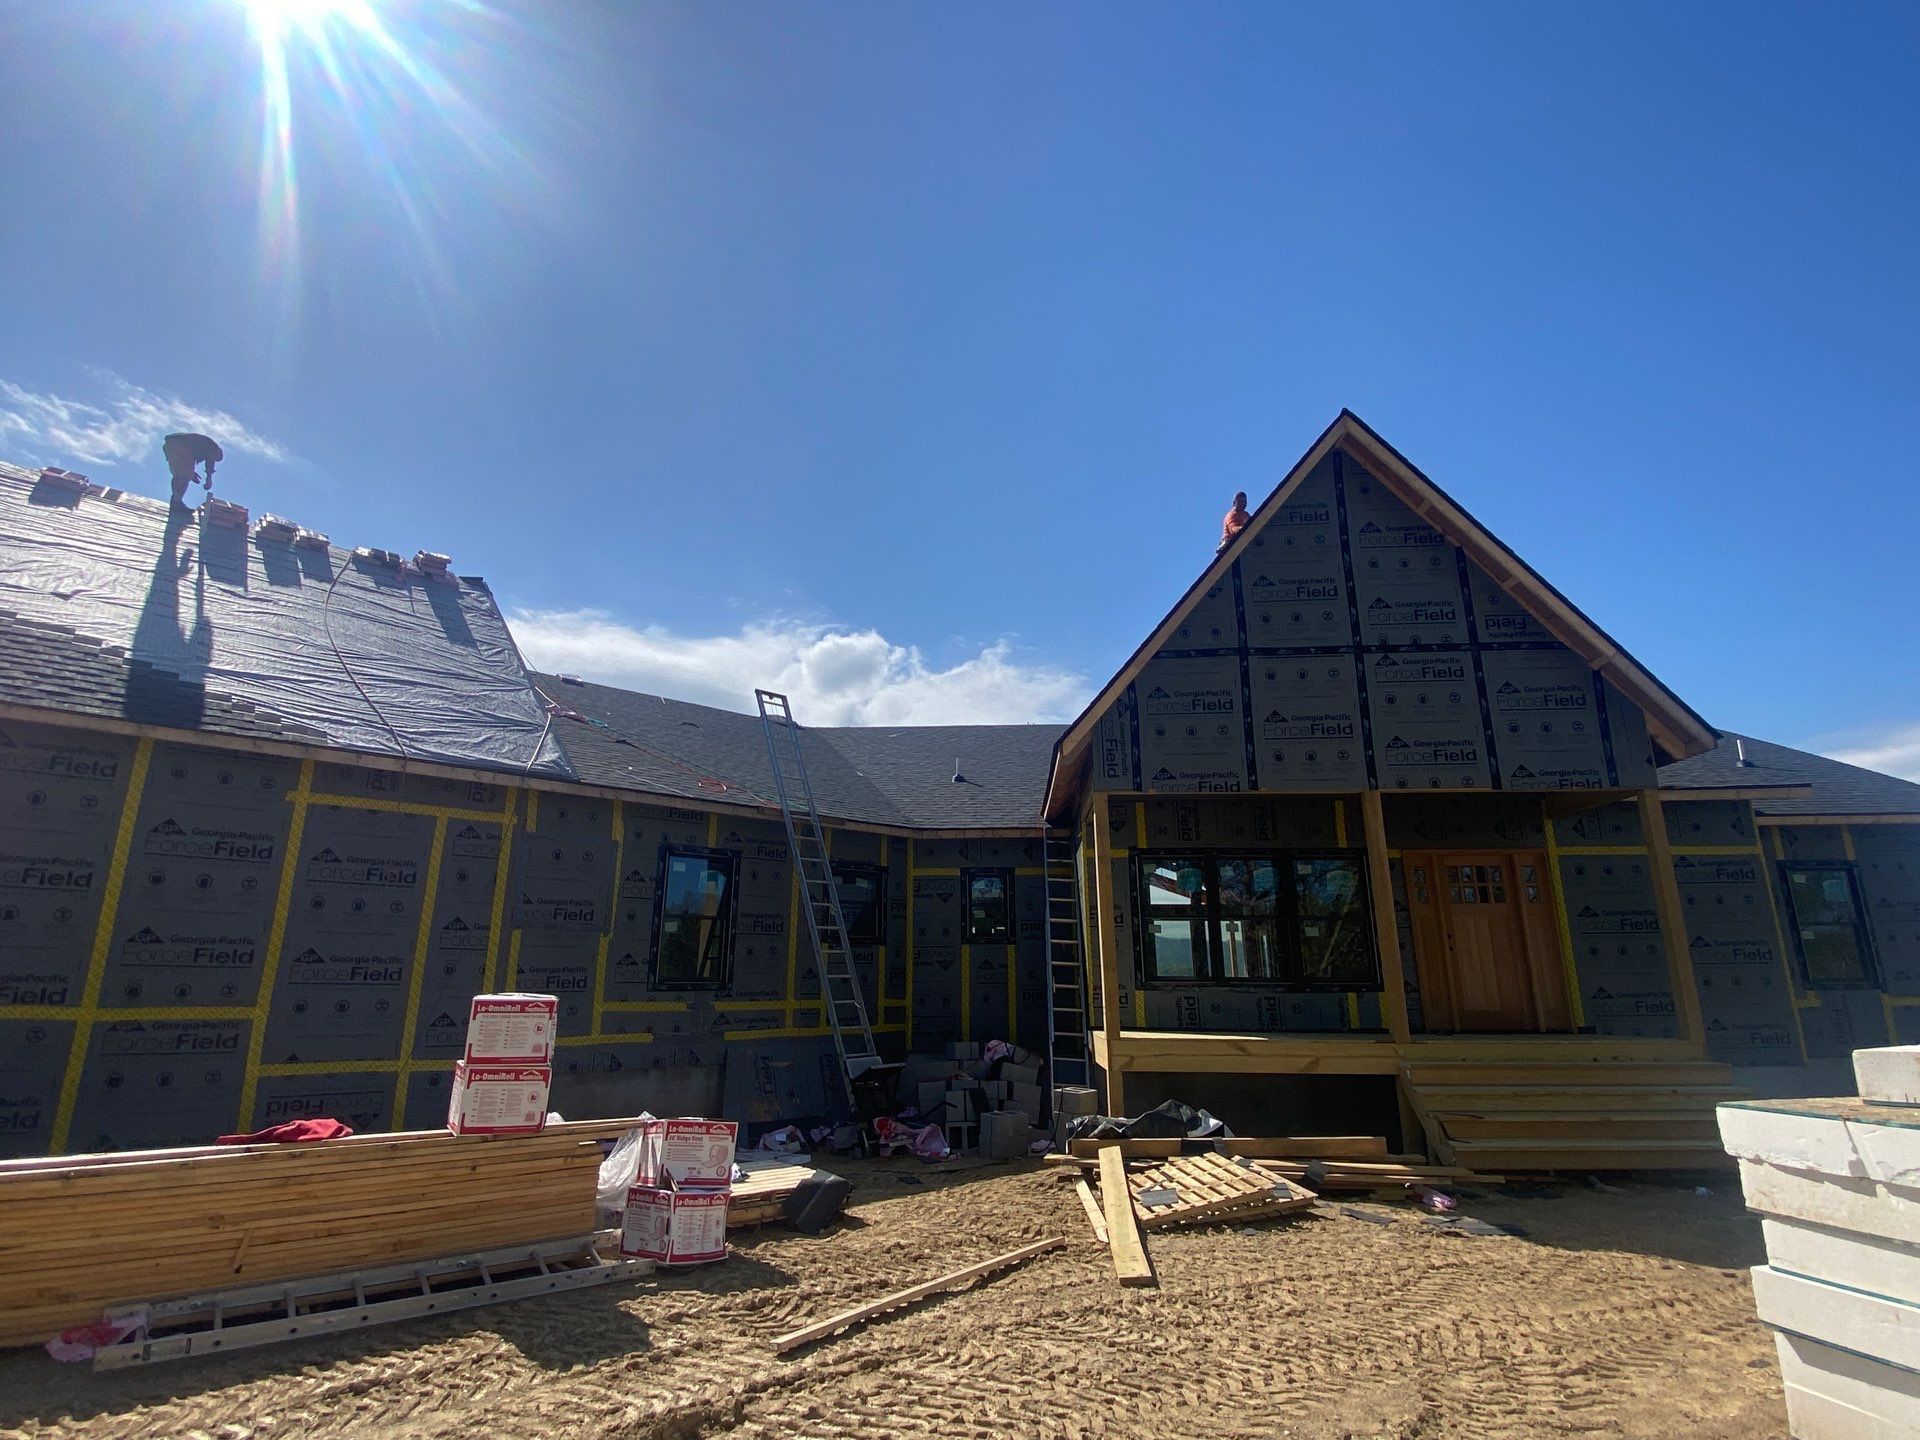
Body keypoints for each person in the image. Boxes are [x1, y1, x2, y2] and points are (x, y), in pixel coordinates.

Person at [163, 432, 223, 511]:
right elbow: (210, 463)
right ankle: (177, 502)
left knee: (180, 475)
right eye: (215, 459)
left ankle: (176, 500)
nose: (213, 460)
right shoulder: (212, 447)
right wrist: (209, 479)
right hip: (181, 445)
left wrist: (190, 473)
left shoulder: (202, 446)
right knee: (184, 476)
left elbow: (183, 465)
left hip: (169, 445)